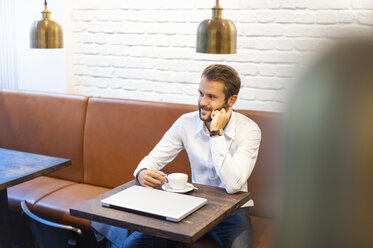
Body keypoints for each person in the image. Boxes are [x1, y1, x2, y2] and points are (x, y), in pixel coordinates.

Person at [92, 64, 261, 248]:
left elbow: (234, 185)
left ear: (231, 100)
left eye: (212, 97)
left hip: (233, 212)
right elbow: (152, 159)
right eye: (200, 93)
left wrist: (216, 134)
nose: (203, 102)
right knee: (134, 245)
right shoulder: (185, 123)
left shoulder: (249, 130)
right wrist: (141, 172)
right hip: (193, 205)